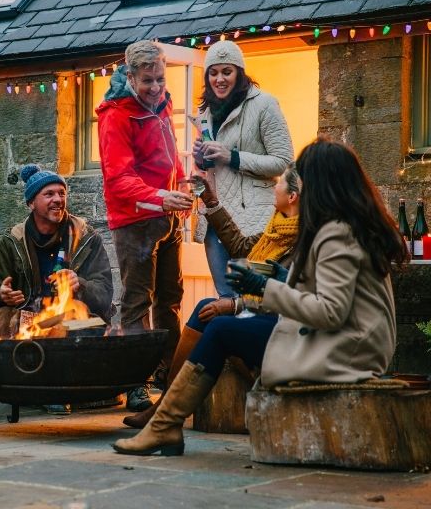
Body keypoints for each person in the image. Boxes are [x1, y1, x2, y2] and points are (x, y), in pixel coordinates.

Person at [112, 139, 409, 456]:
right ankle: (164, 422)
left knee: (222, 329)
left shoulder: (337, 233)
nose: (283, 185)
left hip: (348, 350)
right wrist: (272, 284)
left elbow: (329, 312)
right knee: (218, 323)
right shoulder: (341, 226)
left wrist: (264, 289)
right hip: (343, 340)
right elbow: (308, 289)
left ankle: (164, 425)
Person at [123, 162, 301, 429]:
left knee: (216, 321)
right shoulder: (276, 229)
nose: (274, 186)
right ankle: (166, 407)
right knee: (206, 307)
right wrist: (212, 201)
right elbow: (240, 246)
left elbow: (294, 297)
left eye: (280, 182)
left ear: (292, 196)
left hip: (282, 324)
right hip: (262, 312)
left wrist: (235, 305)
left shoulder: (304, 241)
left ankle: (167, 414)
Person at [0, 165, 114, 421]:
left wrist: (81, 284)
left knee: (68, 320)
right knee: (4, 313)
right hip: (30, 320)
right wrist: (1, 295)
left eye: (61, 193)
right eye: (49, 194)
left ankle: (57, 392)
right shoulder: (13, 240)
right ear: (31, 203)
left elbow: (105, 295)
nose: (58, 199)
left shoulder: (85, 236)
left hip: (79, 320)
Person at [96, 39, 193, 412]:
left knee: (171, 299)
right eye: (148, 81)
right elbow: (118, 178)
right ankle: (137, 383)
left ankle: (171, 377)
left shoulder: (162, 105)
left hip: (167, 216)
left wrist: (182, 186)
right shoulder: (116, 115)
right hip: (134, 220)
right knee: (137, 302)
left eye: (160, 79)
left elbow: (171, 156)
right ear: (131, 77)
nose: (156, 88)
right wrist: (160, 196)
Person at [192, 39, 294, 298]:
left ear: (239, 72)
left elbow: (283, 161)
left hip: (253, 220)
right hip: (215, 219)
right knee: (225, 298)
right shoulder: (205, 111)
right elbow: (214, 168)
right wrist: (201, 159)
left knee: (252, 300)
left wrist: (233, 157)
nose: (219, 79)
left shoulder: (264, 104)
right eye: (213, 73)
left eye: (227, 71)